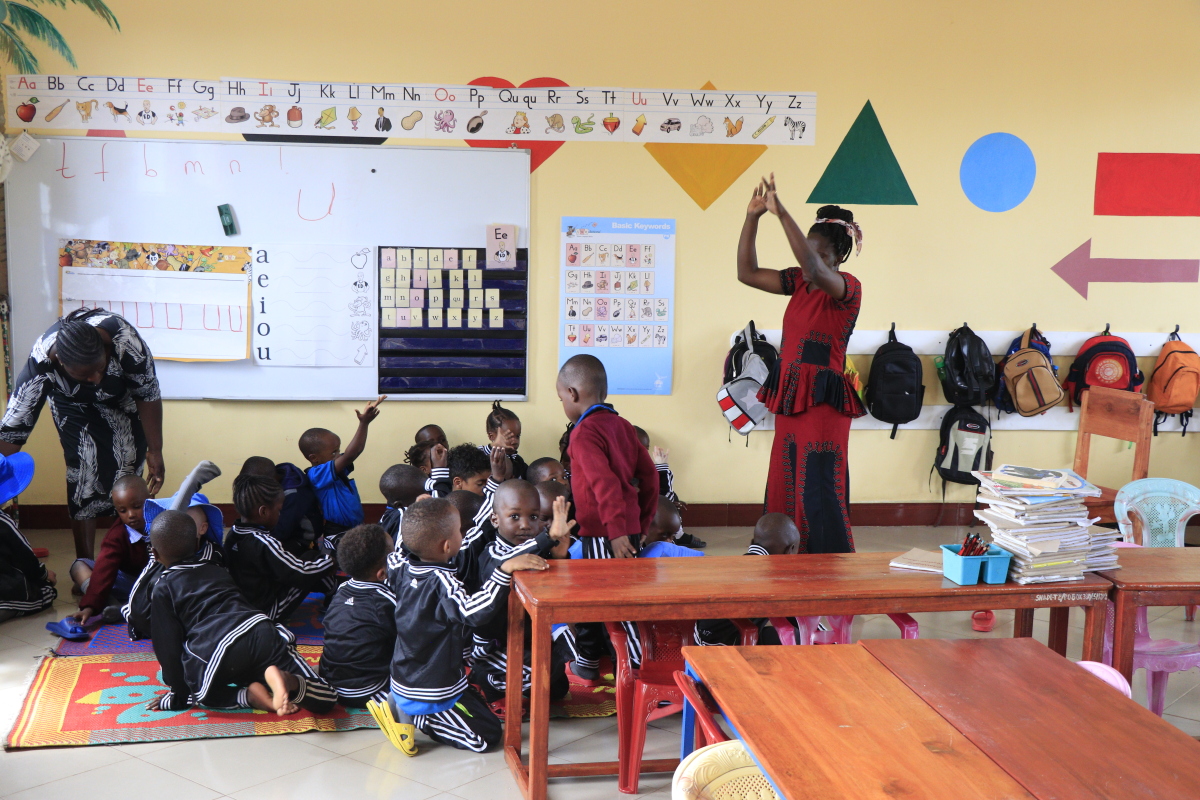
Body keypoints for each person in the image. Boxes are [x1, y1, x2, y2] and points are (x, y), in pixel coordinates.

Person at [737, 175, 865, 554]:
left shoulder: (847, 288)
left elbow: (812, 265)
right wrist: (753, 218)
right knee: (786, 480)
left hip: (823, 404)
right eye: (808, 252)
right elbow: (746, 273)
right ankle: (782, 557)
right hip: (792, 395)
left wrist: (783, 215)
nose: (809, 261)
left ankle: (824, 570)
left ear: (838, 257)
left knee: (817, 487)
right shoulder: (798, 282)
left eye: (820, 255)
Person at [0, 307, 165, 559]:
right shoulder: (43, 360)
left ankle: (127, 555)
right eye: (85, 374)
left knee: (127, 467)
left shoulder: (125, 340)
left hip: (124, 400)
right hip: (72, 403)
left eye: (100, 368)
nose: (96, 379)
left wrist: (155, 449)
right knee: (83, 470)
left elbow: (148, 393)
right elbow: (14, 427)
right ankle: (85, 563)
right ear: (61, 361)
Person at [389, 497, 547, 752]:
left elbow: (399, 548)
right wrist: (503, 571)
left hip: (406, 675)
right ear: (447, 545)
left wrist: (413, 514)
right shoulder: (442, 581)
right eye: (459, 531)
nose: (463, 535)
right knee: (487, 737)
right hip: (433, 686)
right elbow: (474, 612)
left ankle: (402, 702)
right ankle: (420, 718)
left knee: (481, 710)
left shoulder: (400, 567)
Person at [144, 510, 337, 716]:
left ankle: (246, 696)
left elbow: (168, 648)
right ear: (196, 542)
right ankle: (288, 681)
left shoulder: (163, 587)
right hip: (261, 630)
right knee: (326, 698)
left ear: (154, 553)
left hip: (217, 650)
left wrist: (178, 694)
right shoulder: (217, 569)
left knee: (200, 690)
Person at [557, 354, 658, 679]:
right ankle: (589, 661)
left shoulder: (583, 433)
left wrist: (615, 532)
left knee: (619, 606)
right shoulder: (623, 426)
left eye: (561, 399)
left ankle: (641, 673)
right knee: (592, 598)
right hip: (620, 530)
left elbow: (605, 483)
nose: (563, 405)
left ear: (572, 393)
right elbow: (651, 477)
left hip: (606, 535)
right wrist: (642, 524)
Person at [467, 482, 573, 704]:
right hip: (495, 644)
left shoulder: (538, 549)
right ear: (495, 520)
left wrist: (560, 557)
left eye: (533, 517)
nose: (525, 525)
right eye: (514, 517)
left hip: (527, 636)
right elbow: (510, 560)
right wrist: (547, 537)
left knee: (558, 689)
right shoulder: (493, 553)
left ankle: (511, 679)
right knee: (538, 673)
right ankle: (484, 678)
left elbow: (559, 589)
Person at [125, 461, 225, 640]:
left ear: (202, 528)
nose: (179, 525)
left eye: (187, 520)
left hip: (183, 619)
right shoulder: (160, 552)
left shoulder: (212, 554)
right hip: (146, 613)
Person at [225, 473, 339, 622]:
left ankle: (334, 588)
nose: (280, 515)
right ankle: (336, 593)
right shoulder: (264, 542)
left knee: (305, 560)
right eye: (279, 510)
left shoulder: (232, 534)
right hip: (267, 613)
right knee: (313, 560)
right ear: (263, 512)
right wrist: (329, 561)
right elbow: (301, 572)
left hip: (241, 608)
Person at [319, 524, 398, 708]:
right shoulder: (388, 600)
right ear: (382, 574)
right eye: (394, 556)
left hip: (330, 682)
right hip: (367, 690)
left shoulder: (342, 589)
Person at [695, 513, 800, 647]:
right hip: (728, 648)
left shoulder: (729, 566)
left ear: (752, 543)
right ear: (790, 550)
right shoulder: (776, 580)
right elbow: (801, 619)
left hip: (698, 641)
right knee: (798, 637)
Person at [69, 475, 150, 625]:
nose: (131, 515)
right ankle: (112, 605)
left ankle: (131, 607)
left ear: (149, 500)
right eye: (123, 510)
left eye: (137, 507)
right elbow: (104, 569)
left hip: (155, 584)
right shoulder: (117, 534)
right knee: (79, 565)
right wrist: (89, 606)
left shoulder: (163, 521)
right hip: (128, 583)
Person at [299, 396, 384, 538]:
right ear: (314, 458)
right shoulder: (316, 475)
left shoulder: (336, 469)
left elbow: (355, 452)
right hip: (337, 531)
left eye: (339, 450)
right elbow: (350, 455)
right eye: (334, 452)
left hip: (355, 527)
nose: (339, 455)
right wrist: (364, 423)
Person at [0, 452, 56, 622]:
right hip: (4, 590)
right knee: (47, 592)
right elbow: (25, 558)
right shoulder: (4, 522)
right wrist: (44, 574)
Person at [633, 426, 703, 549]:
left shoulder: (644, 467)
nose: (643, 454)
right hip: (632, 514)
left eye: (646, 449)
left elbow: (661, 490)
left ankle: (677, 536)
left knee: (671, 498)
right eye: (638, 448)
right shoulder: (618, 467)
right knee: (666, 500)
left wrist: (661, 466)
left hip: (648, 507)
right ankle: (670, 537)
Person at [240, 456, 324, 550]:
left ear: (268, 481)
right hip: (280, 530)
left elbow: (281, 533)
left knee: (261, 551)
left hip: (301, 539)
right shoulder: (273, 478)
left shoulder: (293, 494)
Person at [378, 464, 428, 538]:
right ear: (399, 505)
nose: (428, 497)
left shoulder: (390, 514)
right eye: (421, 499)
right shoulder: (402, 516)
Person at [480, 400, 527, 480]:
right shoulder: (481, 455)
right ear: (492, 436)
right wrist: (495, 445)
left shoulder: (517, 460)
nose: (515, 441)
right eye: (509, 436)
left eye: (517, 436)